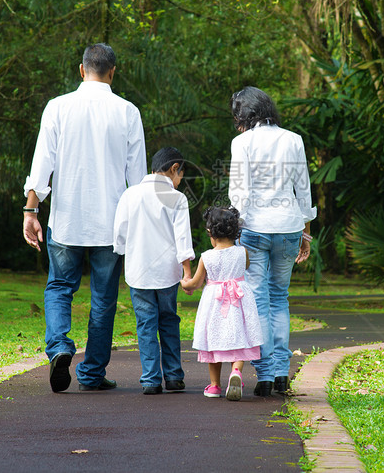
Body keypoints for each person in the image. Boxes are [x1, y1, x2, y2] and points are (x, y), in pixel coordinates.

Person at [22, 43, 146, 393]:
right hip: (112, 224)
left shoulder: (58, 107)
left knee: (59, 287)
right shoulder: (127, 111)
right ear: (112, 72)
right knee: (104, 298)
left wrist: (31, 211)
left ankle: (60, 346)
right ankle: (91, 373)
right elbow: (137, 179)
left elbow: (42, 163)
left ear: (81, 70)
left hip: (66, 221)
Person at [228, 86, 316, 397]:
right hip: (289, 227)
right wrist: (306, 233)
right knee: (280, 298)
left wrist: (236, 236)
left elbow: (238, 193)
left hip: (254, 228)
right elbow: (303, 190)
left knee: (259, 301)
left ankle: (264, 375)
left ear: (245, 115)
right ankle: (281, 372)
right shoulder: (293, 140)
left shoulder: (243, 143)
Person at [112, 147, 195, 395]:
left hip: (138, 273)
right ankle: (173, 377)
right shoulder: (176, 199)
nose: (180, 181)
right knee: (169, 321)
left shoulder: (130, 194)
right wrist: (187, 274)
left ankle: (150, 379)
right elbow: (183, 240)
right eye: (181, 175)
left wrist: (126, 251)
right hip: (167, 274)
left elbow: (119, 235)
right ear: (173, 169)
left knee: (145, 324)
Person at [181, 206, 263, 401]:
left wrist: (186, 283)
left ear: (210, 232)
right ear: (235, 231)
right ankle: (236, 372)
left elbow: (196, 282)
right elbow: (246, 266)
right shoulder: (242, 252)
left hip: (215, 302)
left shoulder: (207, 256)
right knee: (240, 336)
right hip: (239, 299)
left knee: (214, 341)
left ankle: (215, 385)